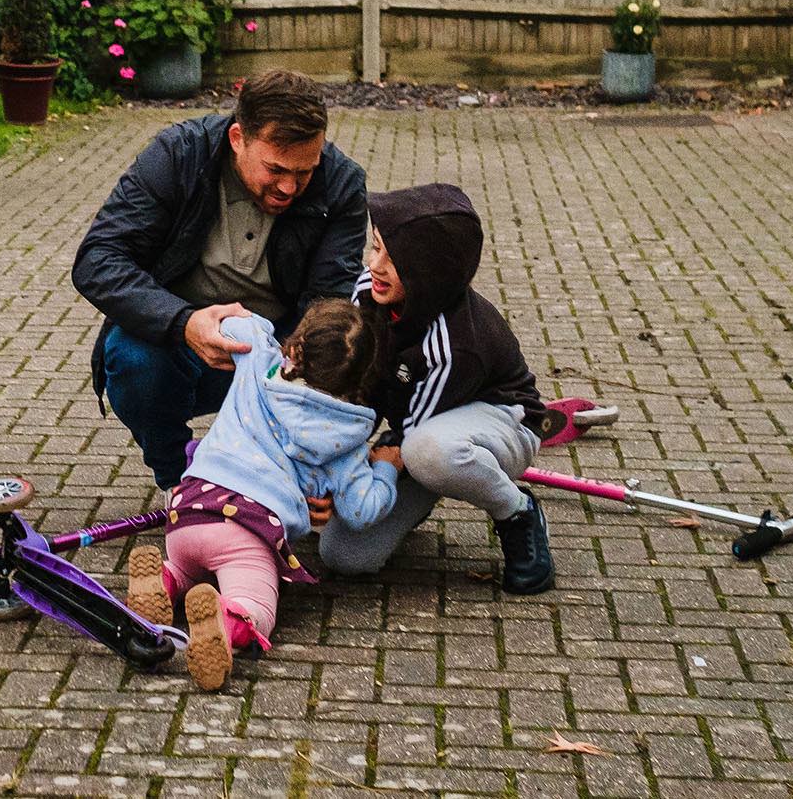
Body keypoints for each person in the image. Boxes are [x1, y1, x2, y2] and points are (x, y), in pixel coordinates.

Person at [72, 69, 368, 488]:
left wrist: (301, 369)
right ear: (237, 139)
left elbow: (328, 302)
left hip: (278, 345)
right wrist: (183, 323)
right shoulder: (178, 156)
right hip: (179, 339)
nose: (289, 186)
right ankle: (180, 481)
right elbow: (97, 259)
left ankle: (286, 476)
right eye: (276, 169)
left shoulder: (341, 182)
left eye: (305, 171)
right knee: (132, 359)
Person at [126, 301, 397, 690]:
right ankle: (228, 624)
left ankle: (166, 580)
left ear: (297, 345)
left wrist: (247, 317)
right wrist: (386, 467)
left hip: (187, 509)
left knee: (190, 568)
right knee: (255, 602)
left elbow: (240, 325)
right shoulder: (347, 437)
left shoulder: (258, 363)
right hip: (246, 530)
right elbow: (361, 510)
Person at [321, 184, 556, 594]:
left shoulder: (454, 345)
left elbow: (405, 440)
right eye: (375, 248)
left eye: (392, 260)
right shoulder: (367, 294)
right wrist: (321, 471)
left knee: (429, 453)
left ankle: (517, 512)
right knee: (344, 556)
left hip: (500, 424)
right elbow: (359, 393)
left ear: (425, 272)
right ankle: (414, 503)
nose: (374, 265)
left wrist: (362, 475)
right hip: (423, 426)